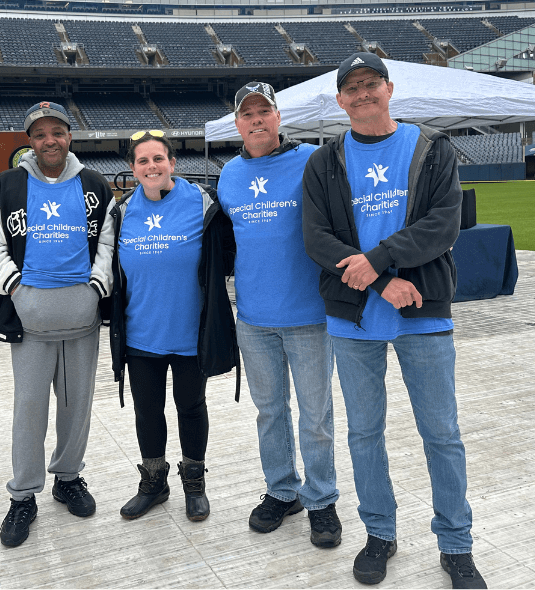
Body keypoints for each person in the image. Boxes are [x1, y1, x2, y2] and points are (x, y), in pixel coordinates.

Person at [302, 52, 487, 589]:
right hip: (354, 315)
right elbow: (317, 239)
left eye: (370, 83)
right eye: (351, 87)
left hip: (422, 308)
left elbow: (442, 225)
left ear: (388, 88)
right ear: (340, 100)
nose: (361, 94)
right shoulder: (325, 161)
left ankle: (455, 544)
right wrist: (383, 280)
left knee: (442, 434)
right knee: (364, 434)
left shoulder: (430, 146)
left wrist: (379, 260)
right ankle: (379, 533)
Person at [0, 101, 114, 548]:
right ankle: (23, 495)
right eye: (39, 134)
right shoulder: (6, 186)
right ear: (29, 141)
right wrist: (15, 287)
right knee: (30, 408)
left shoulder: (95, 186)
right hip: (30, 321)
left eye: (57, 131)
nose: (49, 140)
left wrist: (96, 290)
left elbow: (109, 245)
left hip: (81, 320)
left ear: (69, 136)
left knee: (76, 407)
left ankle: (68, 477)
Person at [216, 82, 342, 548]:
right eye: (247, 113)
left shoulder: (313, 159)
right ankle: (282, 490)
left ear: (278, 116)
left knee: (315, 416)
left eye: (263, 111)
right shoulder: (228, 175)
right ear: (237, 124)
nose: (256, 120)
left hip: (309, 315)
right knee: (269, 412)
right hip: (252, 317)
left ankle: (322, 498)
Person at [100, 130, 237, 522]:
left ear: (172, 163)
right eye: (142, 161)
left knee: (191, 407)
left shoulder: (201, 201)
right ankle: (155, 482)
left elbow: (227, 250)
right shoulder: (123, 212)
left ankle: (194, 482)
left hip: (192, 333)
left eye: (158, 159)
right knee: (148, 410)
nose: (151, 166)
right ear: (133, 168)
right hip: (142, 334)